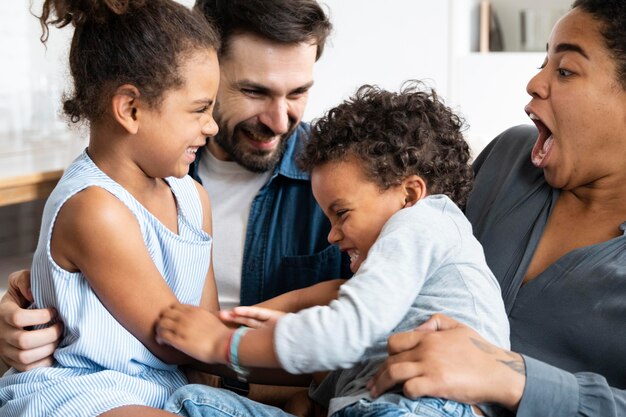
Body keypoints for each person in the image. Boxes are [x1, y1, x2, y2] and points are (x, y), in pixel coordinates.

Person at [0, 0, 350, 380]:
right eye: (254, 92)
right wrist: (18, 324)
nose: (280, 121)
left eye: (298, 92)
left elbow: (416, 288)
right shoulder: (131, 173)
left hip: (222, 388)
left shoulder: (348, 179)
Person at [154, 82, 511, 417]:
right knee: (193, 402)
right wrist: (298, 335)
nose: (331, 236)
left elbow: (344, 334)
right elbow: (350, 365)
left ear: (410, 194)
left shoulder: (421, 222)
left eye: (341, 214)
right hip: (373, 406)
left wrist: (222, 344)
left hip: (430, 409)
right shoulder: (397, 293)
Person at [367, 1, 626, 416]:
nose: (534, 83)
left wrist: (512, 378)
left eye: (565, 70)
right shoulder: (510, 158)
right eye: (544, 62)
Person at [0, 0, 222, 415]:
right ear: (130, 109)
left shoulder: (193, 198)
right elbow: (177, 341)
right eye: (199, 109)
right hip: (87, 390)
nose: (211, 125)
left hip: (166, 387)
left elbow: (207, 334)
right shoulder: (95, 210)